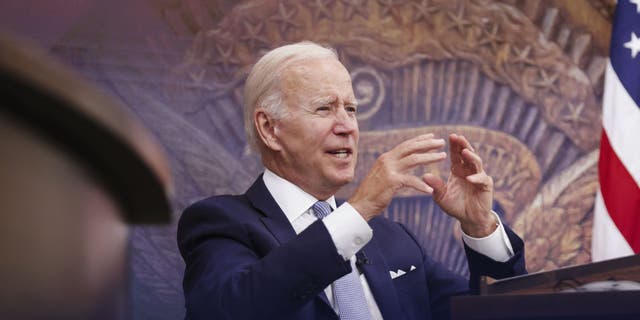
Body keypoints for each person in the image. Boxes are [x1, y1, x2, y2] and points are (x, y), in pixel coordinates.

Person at [177, 41, 527, 320]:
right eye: (324, 109)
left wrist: (481, 227)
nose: (347, 126)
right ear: (270, 129)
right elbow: (232, 309)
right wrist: (358, 211)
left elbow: (493, 313)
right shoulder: (221, 224)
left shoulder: (393, 240)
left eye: (351, 109)